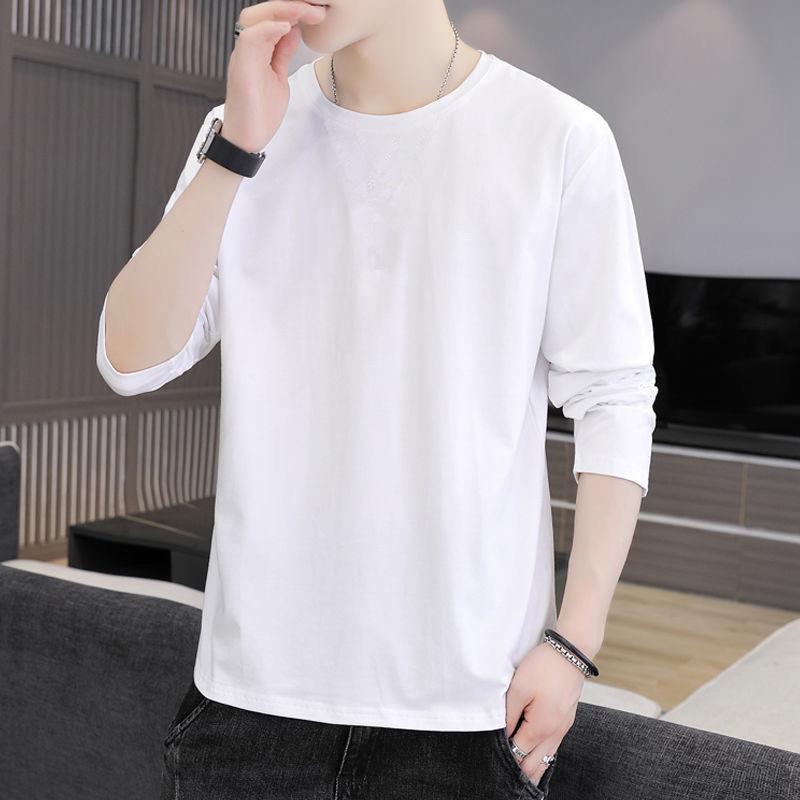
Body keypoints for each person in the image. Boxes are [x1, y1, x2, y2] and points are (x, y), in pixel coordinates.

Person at [96, 1, 658, 798]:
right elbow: (130, 360)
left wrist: (573, 643)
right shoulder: (246, 128)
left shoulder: (557, 138)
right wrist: (235, 149)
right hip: (251, 701)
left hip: (469, 709)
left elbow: (614, 397)